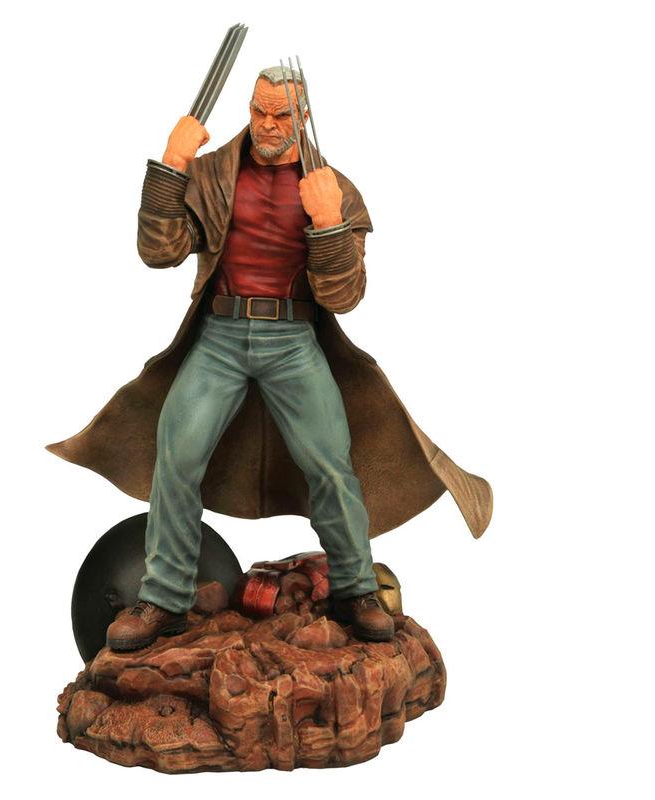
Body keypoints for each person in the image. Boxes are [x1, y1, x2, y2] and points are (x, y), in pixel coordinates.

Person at [47, 67, 493, 651]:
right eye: (259, 110)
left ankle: (355, 589)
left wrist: (328, 221)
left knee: (331, 464)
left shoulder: (333, 189)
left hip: (292, 340)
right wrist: (171, 167)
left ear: (303, 116)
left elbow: (345, 295)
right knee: (175, 459)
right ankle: (164, 599)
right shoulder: (215, 174)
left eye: (281, 114)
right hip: (221, 335)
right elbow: (159, 251)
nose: (267, 124)